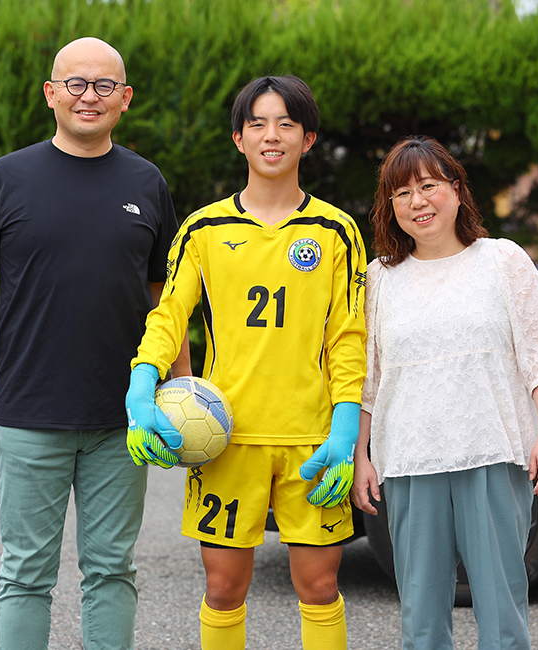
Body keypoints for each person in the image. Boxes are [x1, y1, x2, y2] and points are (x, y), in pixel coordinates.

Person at [0, 37, 190, 650]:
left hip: (123, 418)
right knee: (25, 574)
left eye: (104, 86)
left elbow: (167, 299)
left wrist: (182, 388)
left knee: (111, 570)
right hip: (31, 411)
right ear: (51, 94)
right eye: (75, 84)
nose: (89, 96)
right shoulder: (6, 178)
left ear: (125, 99)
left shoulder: (148, 182)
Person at [124, 75, 367, 650]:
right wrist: (141, 385)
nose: (271, 135)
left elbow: (349, 336)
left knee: (320, 584)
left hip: (312, 438)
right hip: (225, 436)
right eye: (257, 123)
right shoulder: (203, 229)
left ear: (308, 139)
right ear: (238, 138)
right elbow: (168, 315)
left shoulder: (337, 231)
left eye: (286, 123)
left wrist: (347, 422)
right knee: (224, 588)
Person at [350, 135, 538, 650]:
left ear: (457, 189)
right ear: (389, 207)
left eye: (428, 186)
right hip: (408, 461)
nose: (417, 202)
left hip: (492, 453)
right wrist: (361, 456)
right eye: (401, 194)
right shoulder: (379, 279)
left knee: (502, 610)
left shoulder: (503, 260)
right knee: (421, 619)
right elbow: (366, 379)